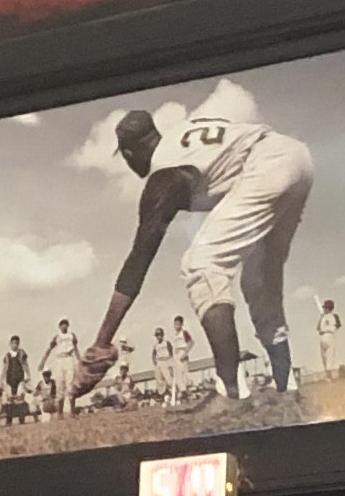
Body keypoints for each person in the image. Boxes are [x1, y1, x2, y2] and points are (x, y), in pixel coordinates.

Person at [68, 88, 316, 409]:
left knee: (202, 264)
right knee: (258, 282)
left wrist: (102, 342)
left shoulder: (164, 174)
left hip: (266, 167)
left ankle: (230, 392)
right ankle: (286, 389)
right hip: (296, 156)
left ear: (129, 153)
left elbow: (139, 259)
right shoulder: (184, 135)